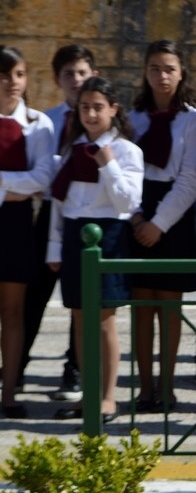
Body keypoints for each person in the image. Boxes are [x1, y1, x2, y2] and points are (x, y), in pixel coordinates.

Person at [47, 76, 143, 423]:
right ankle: (88, 395)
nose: (90, 113)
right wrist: (54, 248)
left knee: (104, 320)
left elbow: (128, 201)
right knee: (79, 318)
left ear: (113, 109)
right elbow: (60, 204)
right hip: (75, 234)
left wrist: (108, 163)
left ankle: (107, 398)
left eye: (98, 107)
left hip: (109, 234)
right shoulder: (72, 150)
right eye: (85, 107)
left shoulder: (128, 151)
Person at [128, 40, 196, 413]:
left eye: (169, 68)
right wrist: (138, 218)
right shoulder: (132, 118)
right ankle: (144, 389)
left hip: (174, 216)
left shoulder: (192, 119)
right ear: (145, 72)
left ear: (181, 73)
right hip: (138, 210)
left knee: (170, 308)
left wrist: (159, 223)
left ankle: (168, 386)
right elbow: (125, 174)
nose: (162, 76)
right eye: (155, 68)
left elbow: (191, 178)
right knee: (142, 307)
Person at [17, 44, 96, 402]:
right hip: (49, 212)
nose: (76, 80)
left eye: (82, 73)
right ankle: (15, 370)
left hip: (86, 218)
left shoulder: (101, 118)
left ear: (92, 74)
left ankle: (74, 372)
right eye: (69, 74)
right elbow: (40, 172)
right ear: (56, 79)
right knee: (34, 296)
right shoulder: (46, 121)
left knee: (80, 298)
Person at [0, 45, 55, 418]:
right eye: (5, 75)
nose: (12, 83)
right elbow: (30, 181)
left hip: (18, 226)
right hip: (16, 209)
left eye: (18, 75)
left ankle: (9, 392)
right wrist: (16, 186)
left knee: (14, 310)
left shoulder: (39, 124)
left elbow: (43, 178)